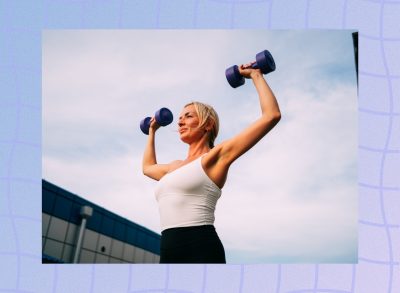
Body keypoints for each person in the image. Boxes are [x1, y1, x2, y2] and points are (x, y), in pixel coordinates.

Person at [142, 62, 281, 263]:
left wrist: (256, 75)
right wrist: (152, 131)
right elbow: (147, 168)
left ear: (208, 125)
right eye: (179, 118)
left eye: (188, 116)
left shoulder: (215, 158)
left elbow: (271, 116)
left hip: (200, 248)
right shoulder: (173, 167)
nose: (180, 122)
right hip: (168, 250)